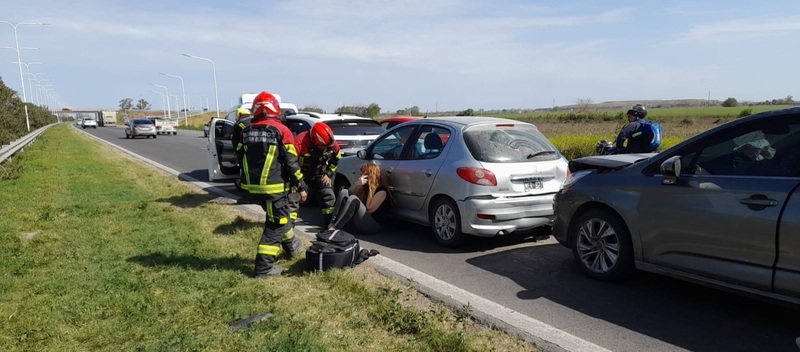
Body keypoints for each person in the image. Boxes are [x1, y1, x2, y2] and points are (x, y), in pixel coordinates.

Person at [235, 91, 308, 278]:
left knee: (280, 217)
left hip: (252, 188)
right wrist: (301, 186)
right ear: (274, 109)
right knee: (277, 224)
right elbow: (291, 163)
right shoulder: (281, 130)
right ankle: (264, 268)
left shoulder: (246, 131)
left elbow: (239, 156)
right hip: (274, 188)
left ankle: (292, 247)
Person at [295, 122, 341, 227]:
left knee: (328, 197)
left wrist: (328, 173)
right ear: (315, 141)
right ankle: (286, 228)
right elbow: (291, 165)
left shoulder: (332, 144)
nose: (326, 148)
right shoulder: (300, 143)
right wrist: (299, 186)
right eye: (323, 146)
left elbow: (337, 159)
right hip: (300, 175)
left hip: (319, 174)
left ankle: (329, 227)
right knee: (293, 199)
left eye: (328, 146)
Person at [327, 162, 393, 235]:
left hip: (373, 226)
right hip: (360, 221)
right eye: (361, 170)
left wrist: (371, 189)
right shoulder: (364, 186)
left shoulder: (382, 190)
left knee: (353, 198)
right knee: (344, 192)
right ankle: (333, 222)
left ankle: (335, 227)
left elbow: (369, 209)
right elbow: (350, 192)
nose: (361, 174)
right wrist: (357, 184)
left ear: (371, 175)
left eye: (365, 172)